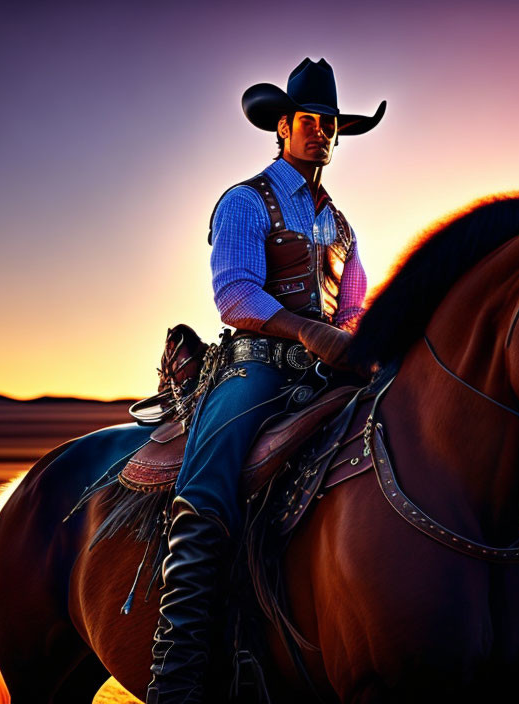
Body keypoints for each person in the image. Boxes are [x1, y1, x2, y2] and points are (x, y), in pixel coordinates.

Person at [146, 58, 386, 703]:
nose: (324, 133)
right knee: (208, 495)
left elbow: (355, 305)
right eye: (311, 120)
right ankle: (178, 675)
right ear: (281, 126)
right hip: (255, 368)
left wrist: (364, 342)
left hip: (328, 376)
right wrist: (310, 332)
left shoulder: (340, 225)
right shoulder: (245, 201)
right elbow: (235, 293)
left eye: (332, 124)